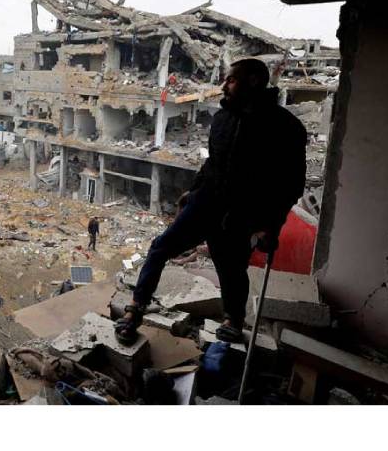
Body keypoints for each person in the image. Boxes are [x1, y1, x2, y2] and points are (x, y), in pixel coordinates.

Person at [114, 58, 306, 345]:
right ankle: (136, 309)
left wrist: (271, 225)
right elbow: (212, 163)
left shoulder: (285, 127)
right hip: (206, 202)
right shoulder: (223, 118)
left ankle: (233, 318)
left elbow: (289, 185)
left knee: (230, 267)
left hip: (242, 213)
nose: (224, 86)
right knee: (160, 248)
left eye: (231, 80)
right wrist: (193, 190)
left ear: (253, 81)